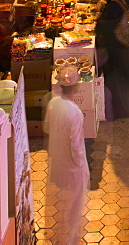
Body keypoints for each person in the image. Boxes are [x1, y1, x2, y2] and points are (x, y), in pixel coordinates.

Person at [44, 65, 90, 245]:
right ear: (77, 88)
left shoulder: (53, 103)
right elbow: (76, 147)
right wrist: (82, 168)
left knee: (61, 201)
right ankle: (71, 240)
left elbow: (47, 128)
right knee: (75, 204)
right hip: (73, 168)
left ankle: (61, 236)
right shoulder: (75, 113)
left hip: (57, 162)